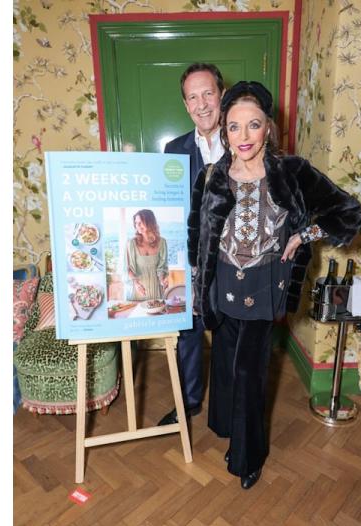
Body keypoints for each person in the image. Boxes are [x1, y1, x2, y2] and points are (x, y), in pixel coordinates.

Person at [188, 81, 361, 489]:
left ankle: (248, 458)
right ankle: (228, 428)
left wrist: (306, 233)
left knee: (250, 371)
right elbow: (196, 233)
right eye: (234, 127)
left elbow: (349, 212)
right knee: (228, 364)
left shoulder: (292, 171)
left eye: (253, 125)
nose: (243, 137)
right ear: (224, 131)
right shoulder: (212, 177)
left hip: (265, 288)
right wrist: (198, 287)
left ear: (268, 127)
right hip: (222, 287)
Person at [157, 63, 225, 426]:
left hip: (234, 261)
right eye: (193, 97)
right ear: (186, 105)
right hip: (189, 260)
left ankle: (227, 409)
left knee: (230, 336)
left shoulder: (242, 139)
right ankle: (188, 402)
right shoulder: (174, 149)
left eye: (208, 93)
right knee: (188, 333)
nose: (202, 104)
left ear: (221, 94)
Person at [125, 209, 168, 302]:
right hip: (138, 290)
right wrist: (136, 284)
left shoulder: (162, 242)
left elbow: (162, 267)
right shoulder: (131, 243)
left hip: (156, 290)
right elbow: (128, 268)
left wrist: (162, 280)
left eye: (140, 222)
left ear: (150, 222)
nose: (138, 226)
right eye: (136, 223)